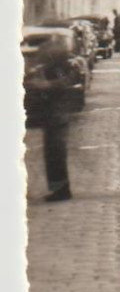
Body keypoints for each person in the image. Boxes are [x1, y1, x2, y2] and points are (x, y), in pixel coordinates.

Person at [23, 32, 77, 202]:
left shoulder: (59, 65)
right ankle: (59, 188)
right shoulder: (52, 65)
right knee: (53, 152)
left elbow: (64, 83)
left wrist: (44, 85)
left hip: (57, 112)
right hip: (52, 112)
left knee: (55, 151)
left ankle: (61, 190)